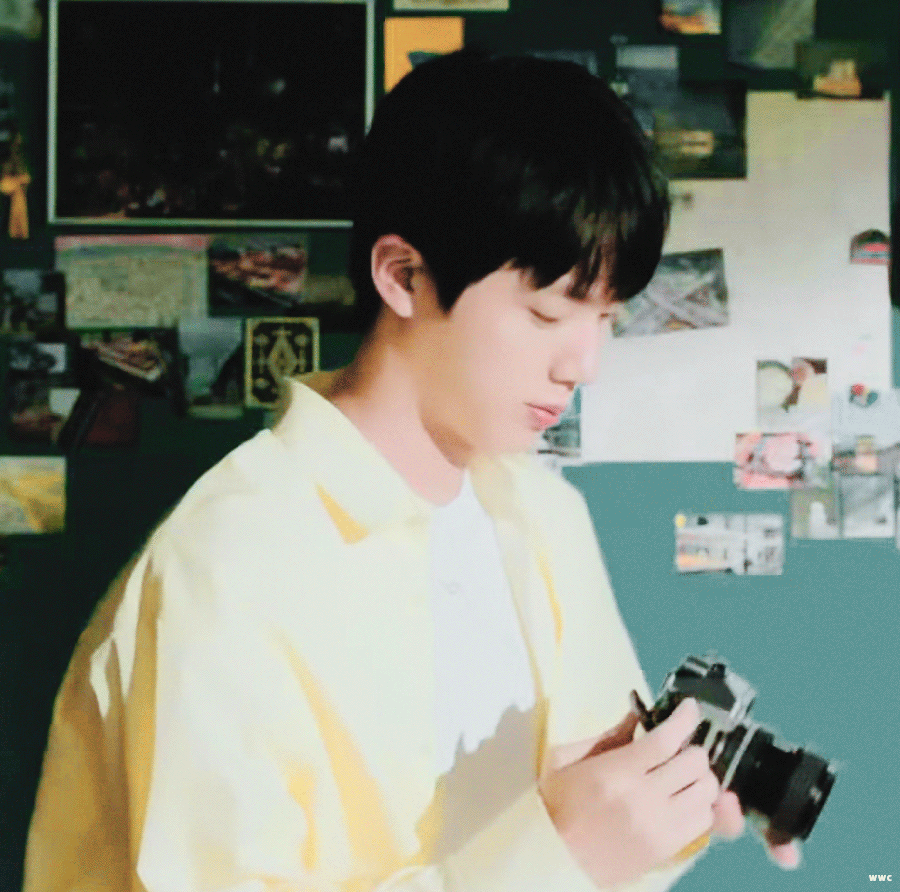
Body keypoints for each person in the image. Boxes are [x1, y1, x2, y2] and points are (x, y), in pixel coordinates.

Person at [23, 48, 799, 892]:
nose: (584, 364)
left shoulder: (544, 514)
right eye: (548, 314)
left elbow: (585, 845)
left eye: (606, 318)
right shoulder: (226, 567)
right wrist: (557, 854)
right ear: (403, 276)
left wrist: (652, 815)